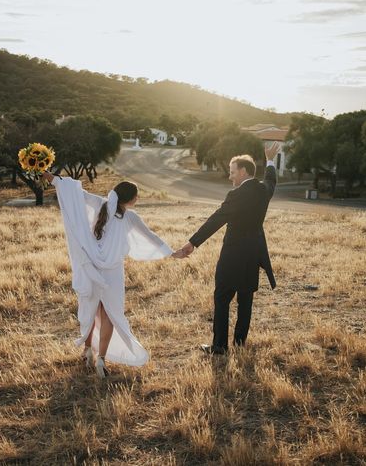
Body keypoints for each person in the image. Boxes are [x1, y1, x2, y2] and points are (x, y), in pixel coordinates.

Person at [42, 171, 174, 377]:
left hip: (92, 267)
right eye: (136, 196)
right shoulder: (130, 217)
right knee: (109, 315)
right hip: (113, 272)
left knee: (92, 311)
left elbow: (77, 195)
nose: (137, 199)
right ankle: (101, 361)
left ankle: (87, 352)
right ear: (129, 199)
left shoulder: (100, 203)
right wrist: (172, 253)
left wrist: (53, 178)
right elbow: (151, 237)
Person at [175, 143, 279, 354]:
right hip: (253, 253)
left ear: (242, 171)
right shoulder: (263, 191)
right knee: (245, 300)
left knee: (222, 298)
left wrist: (192, 243)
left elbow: (216, 220)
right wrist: (269, 160)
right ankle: (240, 344)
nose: (230, 177)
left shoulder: (236, 195)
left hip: (233, 254)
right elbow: (271, 180)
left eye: (232, 173)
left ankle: (219, 346)